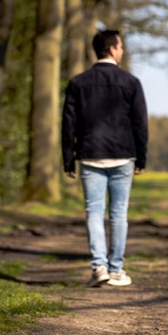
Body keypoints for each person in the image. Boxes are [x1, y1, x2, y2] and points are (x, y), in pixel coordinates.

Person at [61, 30, 148, 287]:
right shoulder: (131, 82)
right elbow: (140, 125)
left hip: (90, 156)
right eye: (121, 47)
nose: (122, 51)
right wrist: (141, 158)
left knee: (93, 213)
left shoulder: (78, 83)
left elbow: (68, 125)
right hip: (123, 157)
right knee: (119, 214)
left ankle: (99, 267)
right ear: (112, 49)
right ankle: (117, 270)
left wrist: (68, 159)